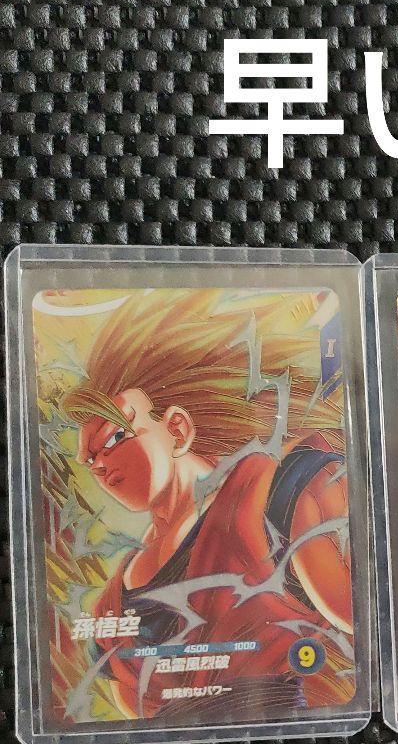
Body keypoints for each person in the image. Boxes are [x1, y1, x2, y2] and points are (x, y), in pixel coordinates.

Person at [61, 290, 352, 721]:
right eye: (90, 459)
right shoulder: (114, 600)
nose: (100, 465)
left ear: (177, 430)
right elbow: (136, 713)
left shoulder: (274, 491)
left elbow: (359, 619)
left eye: (115, 438)